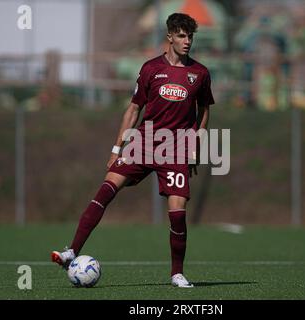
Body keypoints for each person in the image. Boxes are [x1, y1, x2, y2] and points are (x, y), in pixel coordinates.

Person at [51, 13, 214, 288]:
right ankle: (71, 251)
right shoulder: (151, 69)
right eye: (182, 36)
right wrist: (118, 148)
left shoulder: (199, 73)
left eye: (191, 36)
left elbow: (204, 112)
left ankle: (177, 273)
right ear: (170, 37)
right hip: (143, 142)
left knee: (177, 210)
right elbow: (134, 109)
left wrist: (195, 147)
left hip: (175, 151)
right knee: (106, 188)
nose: (187, 41)